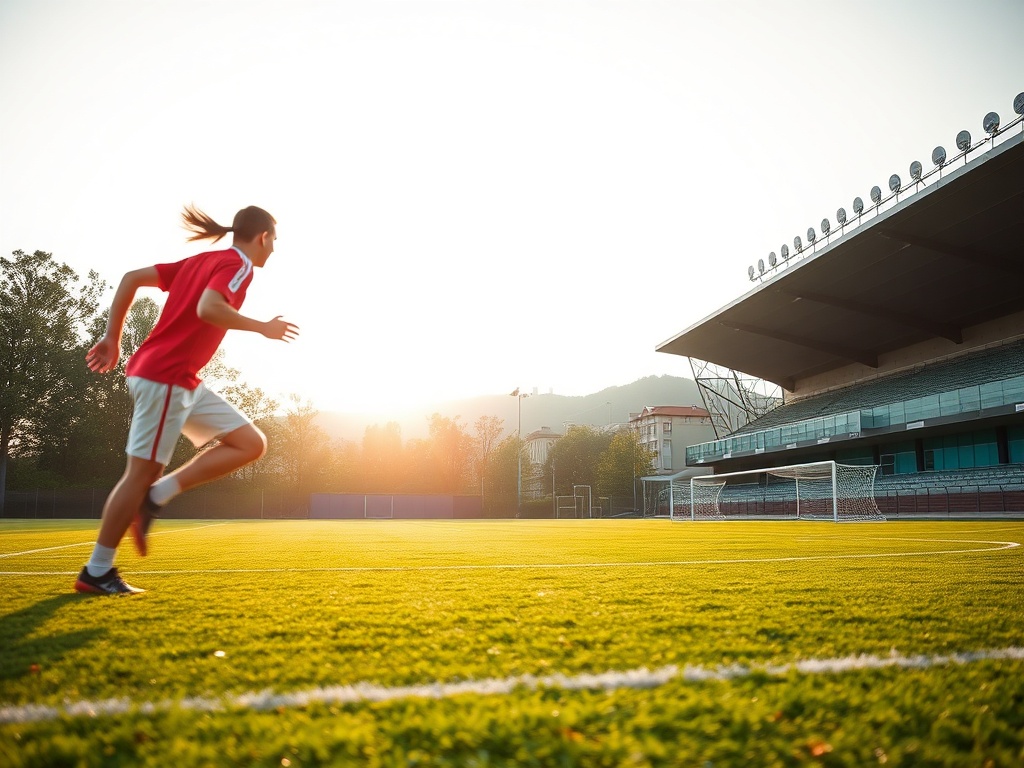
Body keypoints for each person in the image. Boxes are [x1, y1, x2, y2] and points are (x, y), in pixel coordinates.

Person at [75, 205, 298, 595]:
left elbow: (130, 278)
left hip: (179, 379)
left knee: (250, 444)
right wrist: (263, 328)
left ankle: (157, 496)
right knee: (138, 475)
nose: (275, 250)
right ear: (262, 237)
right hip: (166, 378)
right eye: (275, 240)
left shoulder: (203, 260)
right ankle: (96, 571)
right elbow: (209, 308)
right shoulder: (238, 266)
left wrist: (113, 337)